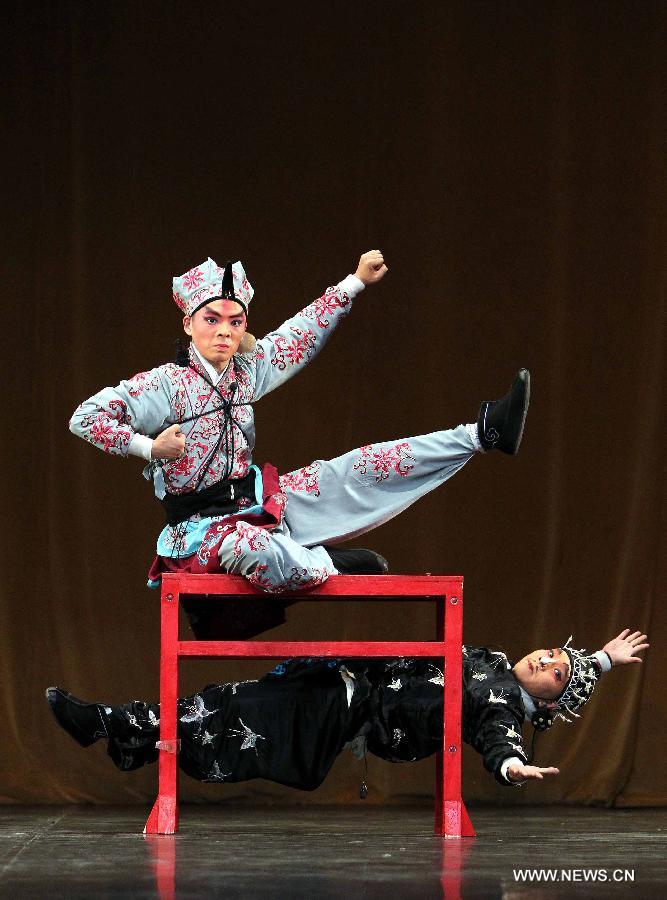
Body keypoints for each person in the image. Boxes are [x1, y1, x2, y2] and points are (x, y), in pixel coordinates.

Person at [69, 252, 531, 637]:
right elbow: (85, 418)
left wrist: (354, 282)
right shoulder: (164, 387)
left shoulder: (246, 372)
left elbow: (300, 335)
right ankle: (327, 564)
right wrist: (149, 449)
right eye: (211, 320)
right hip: (202, 534)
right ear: (189, 324)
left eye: (235, 321)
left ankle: (481, 432)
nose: (224, 331)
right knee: (255, 549)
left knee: (356, 467)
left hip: (259, 503)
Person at [46, 629, 648, 788]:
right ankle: (126, 738)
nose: (549, 660)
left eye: (558, 674)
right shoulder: (489, 658)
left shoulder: (499, 707)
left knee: (230, 726)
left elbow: (500, 744)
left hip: (343, 715)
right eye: (553, 655)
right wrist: (597, 657)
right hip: (339, 685)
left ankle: (108, 726)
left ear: (545, 703)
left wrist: (512, 767)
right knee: (223, 704)